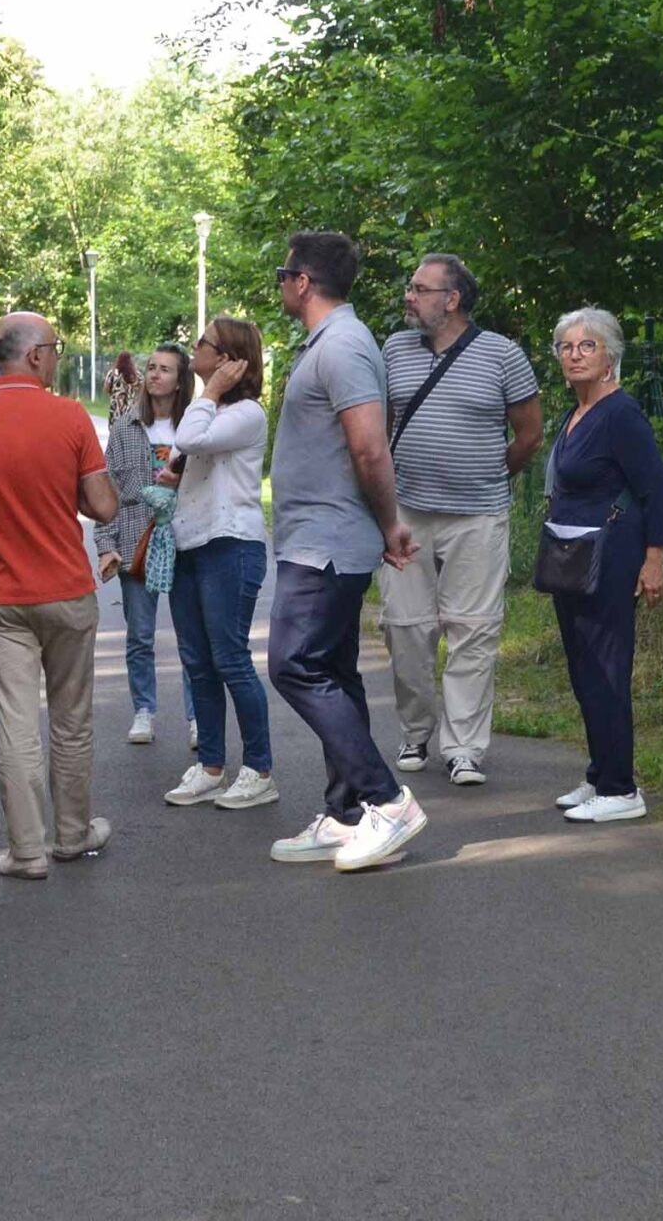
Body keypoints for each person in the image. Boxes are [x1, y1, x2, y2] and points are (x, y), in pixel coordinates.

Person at [0, 313, 121, 879]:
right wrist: (61, 494)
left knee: (16, 720)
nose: (57, 358)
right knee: (71, 721)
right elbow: (104, 506)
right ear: (36, 356)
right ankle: (72, 834)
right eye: (55, 349)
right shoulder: (69, 417)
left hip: (1, 597)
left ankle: (26, 851)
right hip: (65, 590)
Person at [262, 230, 428, 872]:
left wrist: (390, 526)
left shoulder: (347, 346)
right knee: (332, 671)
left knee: (293, 665)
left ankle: (388, 800)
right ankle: (346, 814)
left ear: (303, 281)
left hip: (328, 543)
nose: (280, 285)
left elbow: (369, 447)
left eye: (284, 274)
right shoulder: (329, 343)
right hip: (316, 538)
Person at [377, 254, 543, 786]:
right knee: (406, 629)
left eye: (421, 289)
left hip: (478, 517)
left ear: (452, 300)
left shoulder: (502, 355)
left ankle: (465, 747)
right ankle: (415, 731)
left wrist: (488, 480)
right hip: (406, 513)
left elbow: (529, 434)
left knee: (473, 631)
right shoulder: (395, 349)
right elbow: (379, 430)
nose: (410, 296)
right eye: (411, 287)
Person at [544, 307, 663, 824]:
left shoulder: (621, 415)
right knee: (583, 669)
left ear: (610, 358)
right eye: (566, 347)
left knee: (606, 669)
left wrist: (654, 560)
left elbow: (656, 489)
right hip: (572, 557)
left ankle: (622, 788)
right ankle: (600, 773)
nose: (575, 355)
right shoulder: (575, 411)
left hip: (613, 557)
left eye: (587, 346)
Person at [159, 315, 279, 812]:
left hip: (231, 545)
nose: (193, 347)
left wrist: (209, 394)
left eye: (203, 343)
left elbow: (191, 440)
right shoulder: (212, 409)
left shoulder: (247, 412)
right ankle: (210, 766)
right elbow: (188, 453)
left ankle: (259, 769)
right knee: (197, 662)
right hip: (192, 544)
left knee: (229, 659)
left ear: (229, 360)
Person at [95, 344, 198, 746]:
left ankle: (196, 716)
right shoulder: (125, 428)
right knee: (140, 635)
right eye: (151, 368)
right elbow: (106, 492)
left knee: (192, 636)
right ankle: (144, 711)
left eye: (165, 369)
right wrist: (106, 543)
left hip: (188, 540)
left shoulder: (195, 427)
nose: (155, 375)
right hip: (137, 539)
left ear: (180, 379)